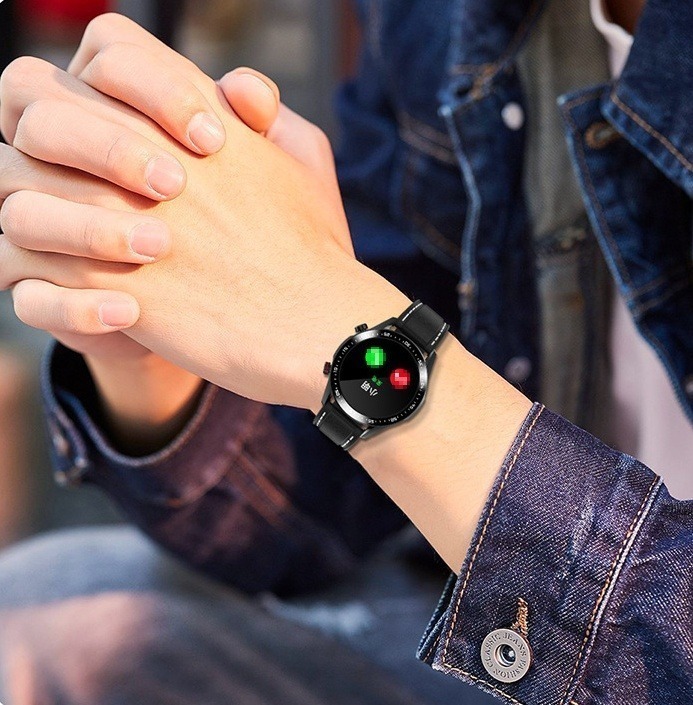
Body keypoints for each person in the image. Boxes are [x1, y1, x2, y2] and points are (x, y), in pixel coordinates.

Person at [0, 3, 690, 704]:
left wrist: (338, 328)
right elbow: (321, 516)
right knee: (48, 609)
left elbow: (344, 345)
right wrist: (143, 331)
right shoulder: (439, 18)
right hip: (512, 627)